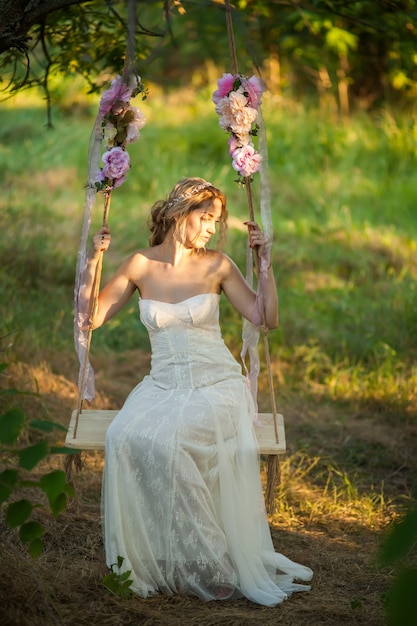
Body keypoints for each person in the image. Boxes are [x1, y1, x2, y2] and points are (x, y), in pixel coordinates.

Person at [83, 177, 313, 605]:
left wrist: (265, 263)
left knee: (169, 444)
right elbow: (91, 319)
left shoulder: (218, 265)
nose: (211, 228)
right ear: (178, 214)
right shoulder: (139, 265)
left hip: (217, 386)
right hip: (163, 386)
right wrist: (93, 260)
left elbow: (266, 318)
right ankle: (157, 555)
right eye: (205, 218)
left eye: (216, 221)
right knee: (122, 437)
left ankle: (214, 558)